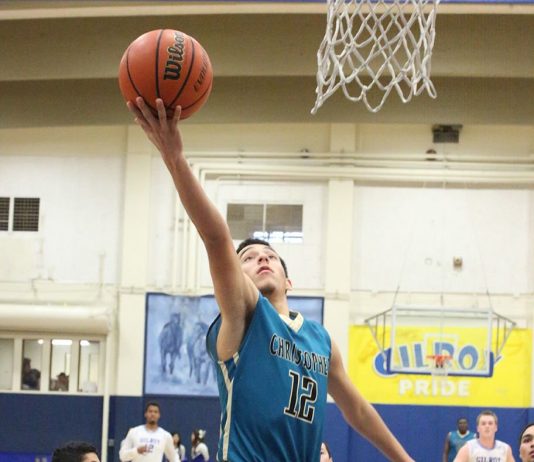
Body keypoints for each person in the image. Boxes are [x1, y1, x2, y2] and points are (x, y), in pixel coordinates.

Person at [127, 97, 414, 462]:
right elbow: (216, 238)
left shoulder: (321, 341)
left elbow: (357, 409)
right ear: (236, 277)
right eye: (247, 258)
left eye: (270, 256)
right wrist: (175, 159)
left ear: (288, 281)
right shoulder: (245, 316)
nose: (261, 258)